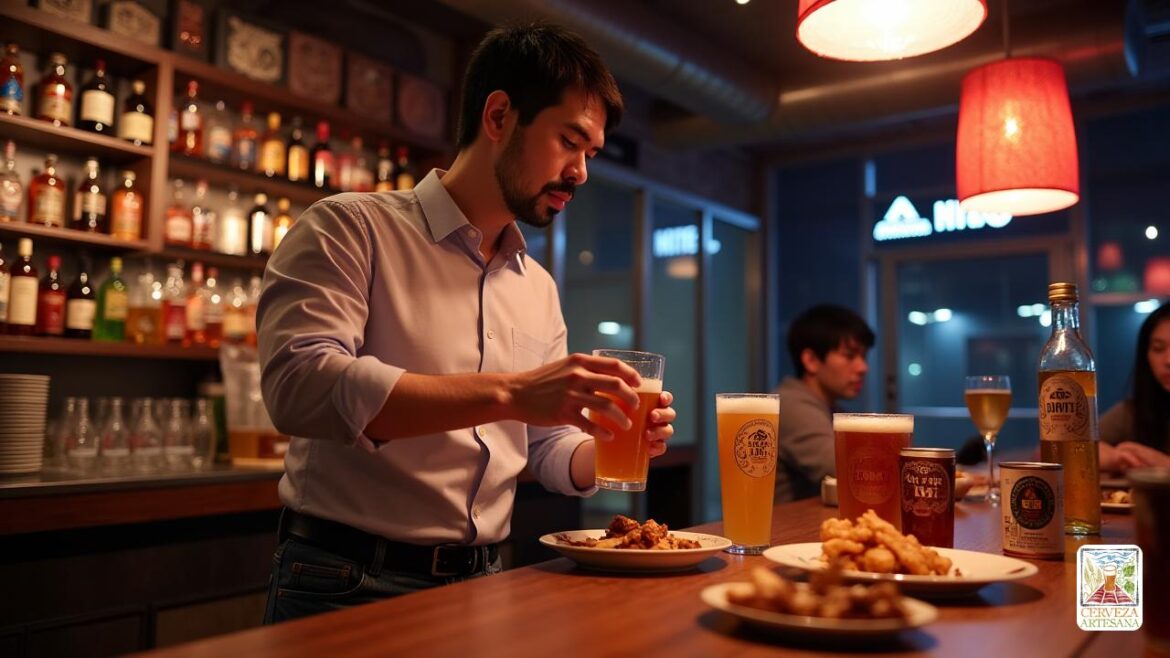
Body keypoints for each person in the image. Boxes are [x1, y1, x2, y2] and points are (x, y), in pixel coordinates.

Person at [257, 23, 677, 623]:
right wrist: (511, 392)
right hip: (344, 578)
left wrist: (610, 447)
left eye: (591, 154)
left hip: (486, 584)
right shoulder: (349, 228)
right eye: (569, 141)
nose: (581, 172)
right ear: (500, 115)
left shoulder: (538, 286)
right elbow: (301, 387)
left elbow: (544, 446)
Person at [773, 305, 875, 502]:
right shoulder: (791, 404)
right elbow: (850, 471)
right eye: (850, 355)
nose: (863, 367)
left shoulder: (830, 408)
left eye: (864, 356)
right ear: (811, 360)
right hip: (786, 530)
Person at [1099, 301, 1170, 474]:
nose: (1168, 361)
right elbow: (1056, 452)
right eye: (1158, 348)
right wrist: (1114, 458)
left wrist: (1163, 466)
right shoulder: (1134, 411)